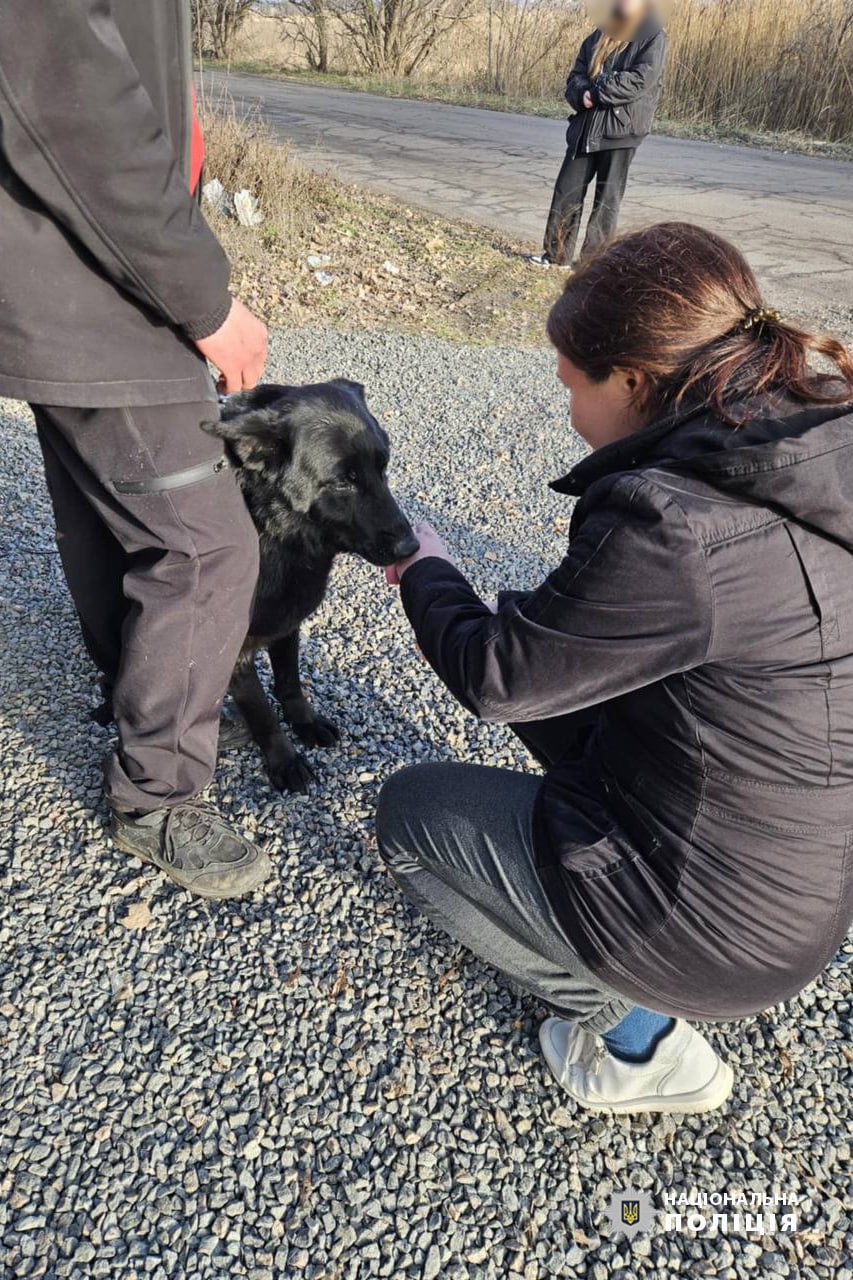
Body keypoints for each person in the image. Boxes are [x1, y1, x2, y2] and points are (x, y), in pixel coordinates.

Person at [377, 222, 853, 1115]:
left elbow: (493, 678)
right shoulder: (813, 447)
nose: (566, 412)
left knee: (411, 816)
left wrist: (423, 566)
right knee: (558, 674)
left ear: (633, 380)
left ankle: (641, 1046)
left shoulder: (674, 525)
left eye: (570, 385)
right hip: (805, 877)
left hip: (715, 932)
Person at [0, 1, 272, 899]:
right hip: (93, 288)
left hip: (67, 278)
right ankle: (156, 793)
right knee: (205, 547)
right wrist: (204, 300)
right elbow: (75, 108)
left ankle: (144, 698)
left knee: (104, 509)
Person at [531, 0, 667, 269]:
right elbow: (575, 77)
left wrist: (597, 90)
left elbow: (641, 80)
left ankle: (592, 265)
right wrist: (582, 94)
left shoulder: (653, 35)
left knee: (607, 200)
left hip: (621, 130)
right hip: (586, 128)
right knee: (566, 192)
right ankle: (555, 257)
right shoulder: (597, 35)